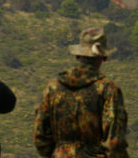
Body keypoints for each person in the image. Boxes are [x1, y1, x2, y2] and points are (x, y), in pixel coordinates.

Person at [34, 27, 129, 157]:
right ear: (103, 57)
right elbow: (114, 141)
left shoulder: (53, 87)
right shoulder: (108, 90)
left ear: (78, 55)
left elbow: (41, 136)